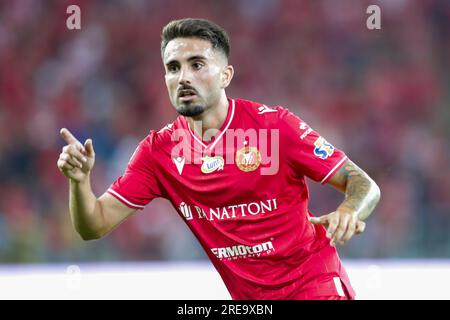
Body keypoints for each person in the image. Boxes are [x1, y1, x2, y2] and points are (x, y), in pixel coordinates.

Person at [57, 18, 380, 300]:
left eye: (196, 64)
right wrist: (80, 181)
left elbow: (363, 184)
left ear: (225, 75)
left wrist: (349, 211)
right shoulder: (159, 153)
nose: (183, 77)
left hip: (314, 286)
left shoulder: (274, 126)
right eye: (173, 68)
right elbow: (93, 226)